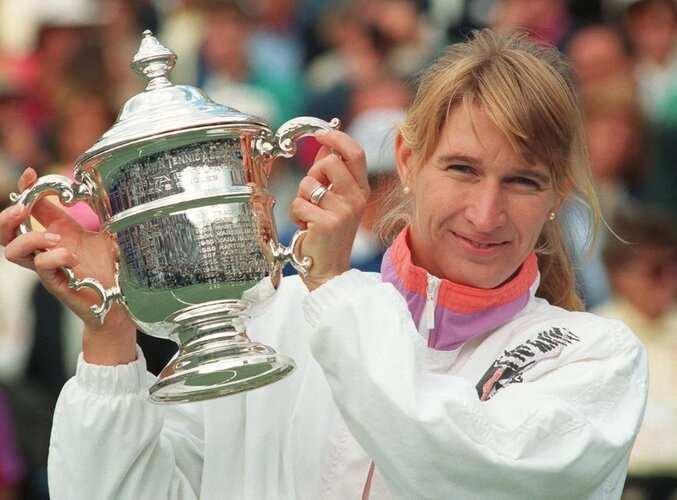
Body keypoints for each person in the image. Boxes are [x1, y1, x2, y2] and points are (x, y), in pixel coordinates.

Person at [0, 29, 647, 499]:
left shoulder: (594, 358)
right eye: (461, 169)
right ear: (408, 161)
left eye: (523, 181)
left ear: (559, 194)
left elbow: (457, 470)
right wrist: (110, 339)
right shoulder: (268, 321)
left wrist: (334, 287)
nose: (485, 213)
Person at [593, 206, 677, 499]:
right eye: (656, 270)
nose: (670, 280)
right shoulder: (595, 336)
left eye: (674, 266)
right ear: (619, 275)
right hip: (626, 483)